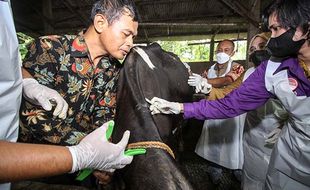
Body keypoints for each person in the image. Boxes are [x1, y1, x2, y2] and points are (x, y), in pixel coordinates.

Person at [148, 0, 310, 189]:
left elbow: (227, 83)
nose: (271, 38)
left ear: (304, 28)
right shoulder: (272, 69)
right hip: (291, 154)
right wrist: (180, 107)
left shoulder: (238, 68)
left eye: (276, 29)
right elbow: (230, 103)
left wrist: (206, 85)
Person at [0, 1, 133, 190]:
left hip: (85, 169)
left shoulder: (112, 69)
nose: (130, 43)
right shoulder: (49, 48)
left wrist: (105, 152)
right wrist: (91, 151)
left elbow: (104, 114)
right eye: (126, 34)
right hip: (34, 165)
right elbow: (35, 119)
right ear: (100, 23)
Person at [189, 39, 245, 185]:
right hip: (214, 110)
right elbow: (202, 88)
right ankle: (215, 171)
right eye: (220, 50)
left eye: (226, 50)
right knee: (214, 140)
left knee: (233, 143)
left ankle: (237, 171)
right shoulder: (210, 70)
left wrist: (205, 81)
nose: (222, 53)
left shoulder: (238, 68)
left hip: (232, 112)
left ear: (233, 52)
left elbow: (227, 80)